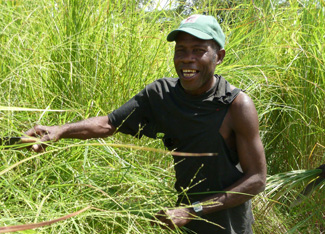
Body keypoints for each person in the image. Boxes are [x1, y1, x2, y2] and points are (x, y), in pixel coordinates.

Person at [26, 14, 266, 233]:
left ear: (219, 56)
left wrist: (193, 210)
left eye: (198, 50)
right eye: (181, 50)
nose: (187, 59)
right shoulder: (161, 95)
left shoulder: (236, 105)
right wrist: (59, 131)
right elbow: (110, 123)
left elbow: (256, 179)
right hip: (185, 221)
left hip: (229, 225)